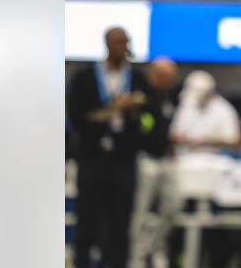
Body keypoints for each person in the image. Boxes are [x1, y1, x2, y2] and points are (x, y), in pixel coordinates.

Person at [68, 27, 147, 268]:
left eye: (125, 43)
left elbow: (147, 119)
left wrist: (133, 113)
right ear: (107, 44)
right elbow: (77, 117)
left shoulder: (137, 79)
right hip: (92, 158)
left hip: (123, 160)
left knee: (120, 222)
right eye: (117, 43)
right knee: (88, 222)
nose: (122, 48)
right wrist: (111, 111)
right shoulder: (84, 78)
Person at [130, 58, 180, 268]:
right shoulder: (142, 96)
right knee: (140, 211)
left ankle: (156, 248)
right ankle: (135, 257)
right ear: (156, 74)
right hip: (145, 158)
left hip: (166, 160)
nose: (172, 79)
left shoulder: (168, 97)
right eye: (167, 75)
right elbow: (140, 127)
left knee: (173, 207)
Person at [170, 70, 239, 157]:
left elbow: (232, 139)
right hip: (184, 159)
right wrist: (185, 139)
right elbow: (173, 134)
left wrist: (205, 141)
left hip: (213, 161)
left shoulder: (224, 109)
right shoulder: (185, 106)